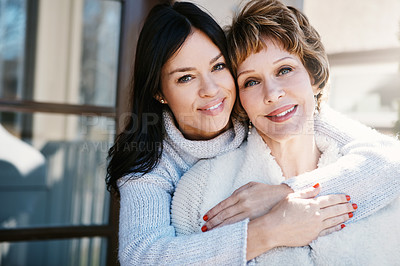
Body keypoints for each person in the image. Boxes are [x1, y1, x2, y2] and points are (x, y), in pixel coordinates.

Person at [106, 1, 400, 265]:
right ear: (159, 92)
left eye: (218, 66)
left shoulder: (266, 115)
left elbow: (388, 159)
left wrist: (283, 194)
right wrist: (269, 230)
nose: (210, 90)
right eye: (185, 77)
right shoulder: (152, 166)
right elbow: (142, 256)